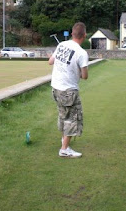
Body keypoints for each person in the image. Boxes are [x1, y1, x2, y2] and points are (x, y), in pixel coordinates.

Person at [48, 22, 89, 158]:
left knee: (63, 115)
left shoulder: (61, 45)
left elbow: (50, 61)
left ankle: (63, 140)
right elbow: (85, 76)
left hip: (55, 88)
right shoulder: (81, 53)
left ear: (72, 34)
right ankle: (64, 149)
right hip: (69, 91)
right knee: (73, 119)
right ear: (84, 35)